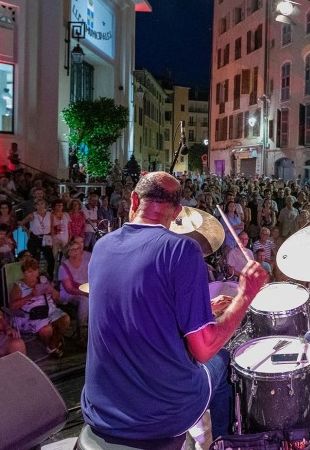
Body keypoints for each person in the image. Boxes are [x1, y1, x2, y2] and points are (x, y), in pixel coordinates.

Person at [81, 172, 266, 446]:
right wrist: (245, 294)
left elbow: (139, 309)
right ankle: (223, 443)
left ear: (134, 199)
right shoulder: (183, 250)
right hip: (161, 414)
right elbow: (203, 348)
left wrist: (201, 308)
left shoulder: (102, 246)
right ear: (178, 212)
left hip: (101, 407)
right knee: (224, 361)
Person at [9, 256, 70, 357]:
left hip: (48, 311)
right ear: (24, 273)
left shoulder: (43, 280)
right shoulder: (19, 286)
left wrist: (51, 290)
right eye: (30, 271)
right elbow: (13, 306)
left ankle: (51, 346)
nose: (33, 274)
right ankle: (52, 346)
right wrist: (31, 295)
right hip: (31, 315)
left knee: (65, 319)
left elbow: (57, 296)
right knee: (46, 330)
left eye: (35, 270)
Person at [58, 239, 90, 330]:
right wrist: (85, 293)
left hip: (85, 288)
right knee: (85, 300)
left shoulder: (86, 262)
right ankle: (82, 324)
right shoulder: (64, 267)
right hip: (70, 293)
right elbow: (69, 288)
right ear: (68, 253)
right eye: (73, 250)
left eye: (77, 249)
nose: (76, 251)